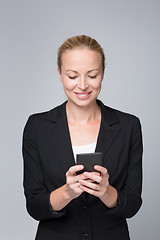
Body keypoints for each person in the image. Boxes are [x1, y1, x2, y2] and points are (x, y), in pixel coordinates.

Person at [22, 35, 143, 240]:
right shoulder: (37, 127)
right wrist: (67, 192)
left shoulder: (128, 126)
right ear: (60, 74)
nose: (83, 85)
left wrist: (106, 191)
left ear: (103, 73)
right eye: (72, 76)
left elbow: (132, 204)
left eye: (92, 75)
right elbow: (34, 206)